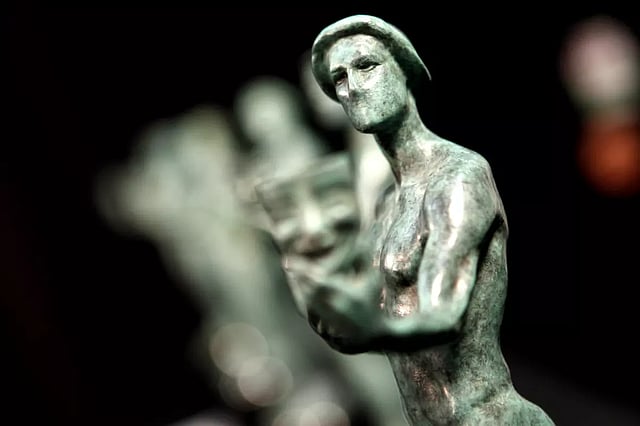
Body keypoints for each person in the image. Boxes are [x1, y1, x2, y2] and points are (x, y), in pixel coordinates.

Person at [282, 14, 555, 425]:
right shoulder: (386, 201)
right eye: (339, 79)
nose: (353, 87)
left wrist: (357, 318)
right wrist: (319, 295)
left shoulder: (459, 176)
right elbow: (370, 326)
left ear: (404, 70)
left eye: (366, 66)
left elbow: (443, 315)